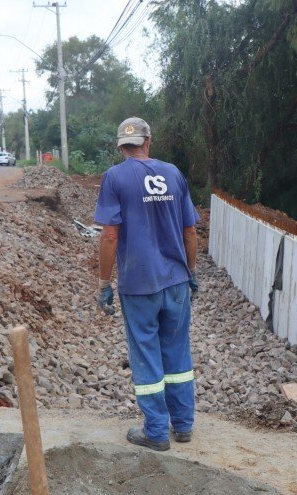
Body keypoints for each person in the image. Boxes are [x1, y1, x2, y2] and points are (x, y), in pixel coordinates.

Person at [94, 116, 200, 452]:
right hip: (176, 281)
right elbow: (190, 231)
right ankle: (183, 426)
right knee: (177, 351)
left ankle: (155, 432)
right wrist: (191, 272)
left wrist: (103, 282)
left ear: (121, 147)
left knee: (146, 355)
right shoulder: (173, 173)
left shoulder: (115, 177)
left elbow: (110, 235)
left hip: (139, 284)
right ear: (148, 140)